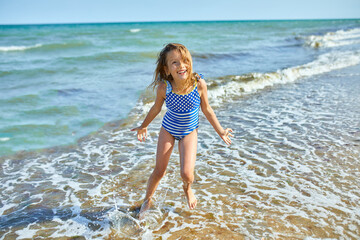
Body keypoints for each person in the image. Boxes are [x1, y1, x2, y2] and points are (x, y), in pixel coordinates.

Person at [131, 43, 233, 218]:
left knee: (187, 174)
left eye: (185, 61)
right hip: (168, 130)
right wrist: (144, 125)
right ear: (167, 69)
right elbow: (156, 109)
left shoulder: (199, 84)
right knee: (159, 170)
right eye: (175, 63)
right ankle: (147, 199)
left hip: (189, 132)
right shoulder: (164, 88)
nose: (181, 66)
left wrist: (221, 131)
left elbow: (207, 109)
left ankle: (187, 189)